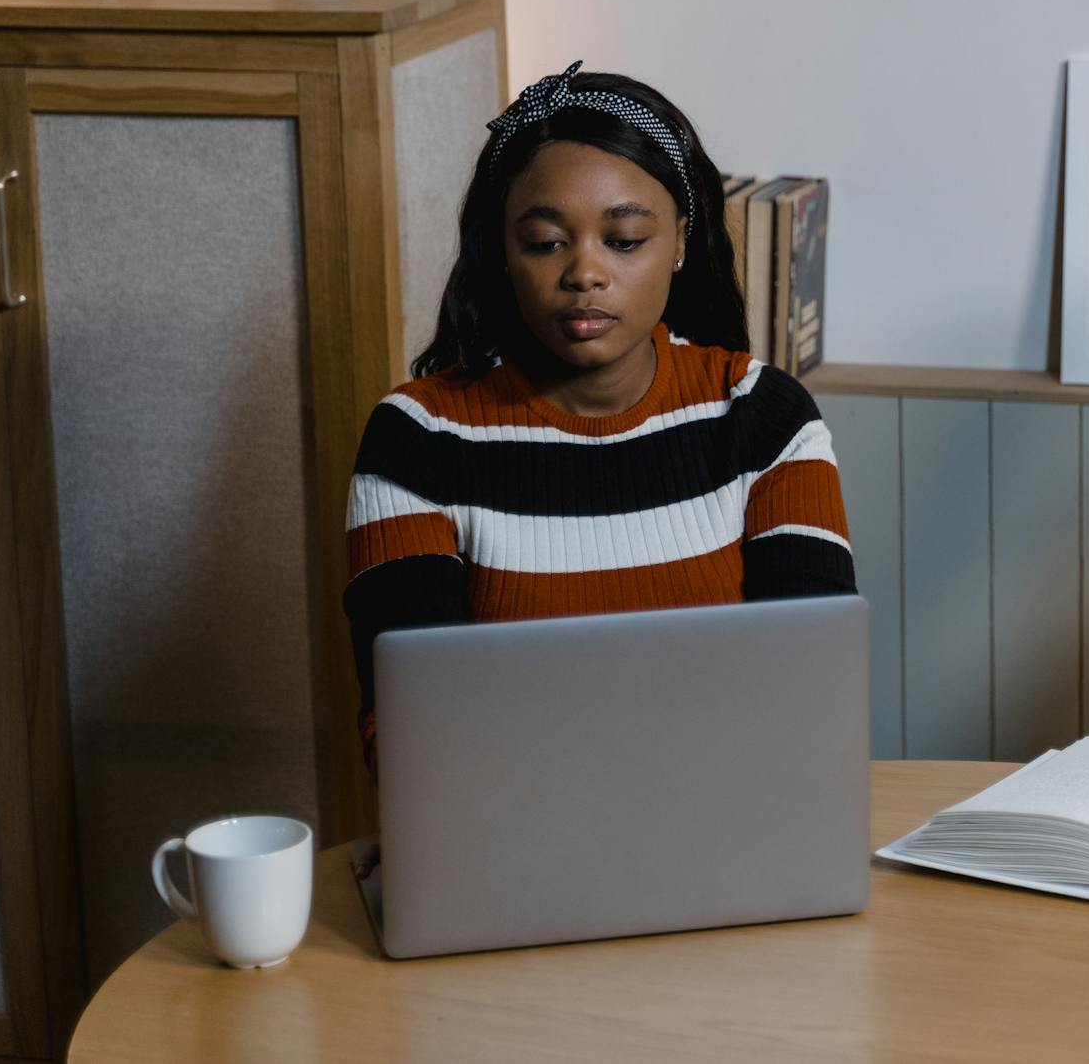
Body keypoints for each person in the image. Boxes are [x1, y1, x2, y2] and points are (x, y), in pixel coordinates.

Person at [344, 62, 856, 773]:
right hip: (509, 849)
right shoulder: (419, 440)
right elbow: (411, 737)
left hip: (727, 832)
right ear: (501, 250)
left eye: (623, 240)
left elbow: (809, 698)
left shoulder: (765, 421)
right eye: (547, 241)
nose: (584, 272)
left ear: (679, 240)